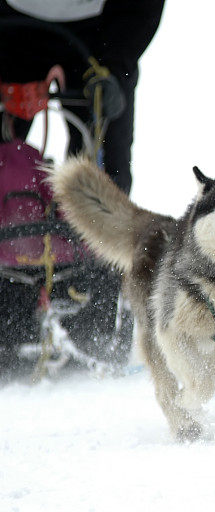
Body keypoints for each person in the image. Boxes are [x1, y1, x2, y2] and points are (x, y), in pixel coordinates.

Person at [0, 0, 164, 367]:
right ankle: (11, 301)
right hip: (11, 21)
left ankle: (95, 312)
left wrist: (118, 62)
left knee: (106, 176)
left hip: (103, 30)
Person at [0, 0, 164, 194]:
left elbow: (143, 8)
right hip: (11, 29)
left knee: (107, 181)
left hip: (99, 33)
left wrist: (117, 71)